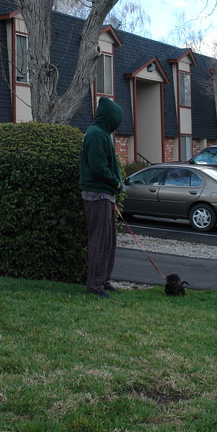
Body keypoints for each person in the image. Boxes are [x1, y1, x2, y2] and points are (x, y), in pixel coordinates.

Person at [79, 96, 123, 298]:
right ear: (109, 117)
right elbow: (98, 167)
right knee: (99, 241)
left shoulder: (102, 134)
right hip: (97, 195)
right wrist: (115, 182)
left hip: (105, 195)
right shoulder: (96, 134)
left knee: (108, 241)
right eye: (116, 119)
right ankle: (94, 285)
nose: (117, 123)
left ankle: (104, 280)